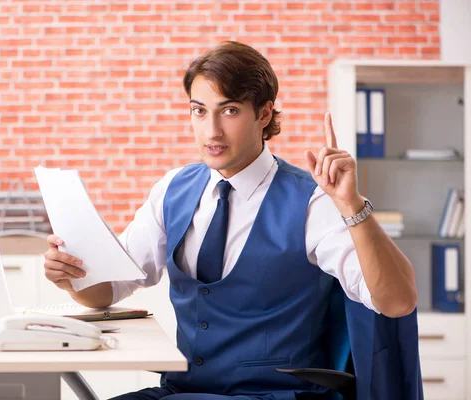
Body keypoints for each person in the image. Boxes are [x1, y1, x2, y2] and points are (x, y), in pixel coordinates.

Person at [43, 41, 418, 399]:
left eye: (230, 110)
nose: (212, 131)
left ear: (265, 113)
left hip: (277, 394)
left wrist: (353, 207)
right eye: (199, 110)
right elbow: (108, 291)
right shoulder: (173, 189)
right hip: (185, 389)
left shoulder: (314, 200)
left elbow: (397, 302)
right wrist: (73, 276)